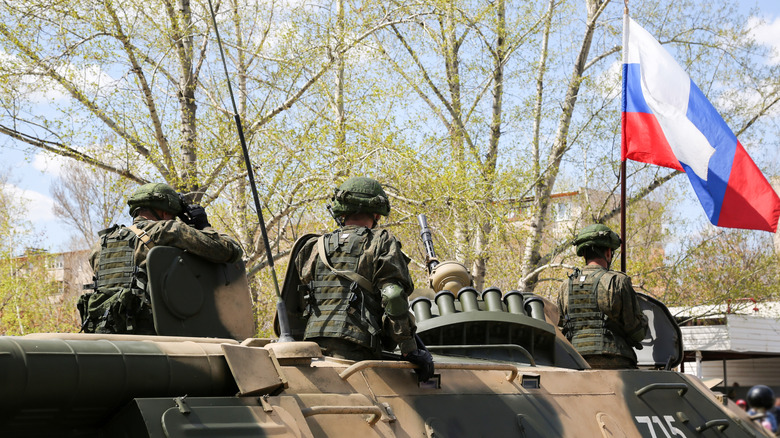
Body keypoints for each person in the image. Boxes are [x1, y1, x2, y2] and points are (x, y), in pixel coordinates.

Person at [294, 176, 434, 381]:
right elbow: (393, 296)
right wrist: (408, 348)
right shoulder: (381, 242)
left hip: (313, 347)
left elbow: (302, 296)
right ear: (377, 213)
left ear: (342, 211)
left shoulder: (315, 246)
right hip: (357, 350)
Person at [79, 182, 243, 334]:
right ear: (165, 212)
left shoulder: (101, 244)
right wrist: (203, 225)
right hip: (151, 334)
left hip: (106, 333)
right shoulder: (166, 230)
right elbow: (229, 250)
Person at [557, 224, 648, 369]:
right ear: (607, 253)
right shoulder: (618, 281)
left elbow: (561, 326)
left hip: (575, 362)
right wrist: (644, 321)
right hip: (616, 362)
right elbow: (636, 331)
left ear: (584, 254)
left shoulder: (565, 286)